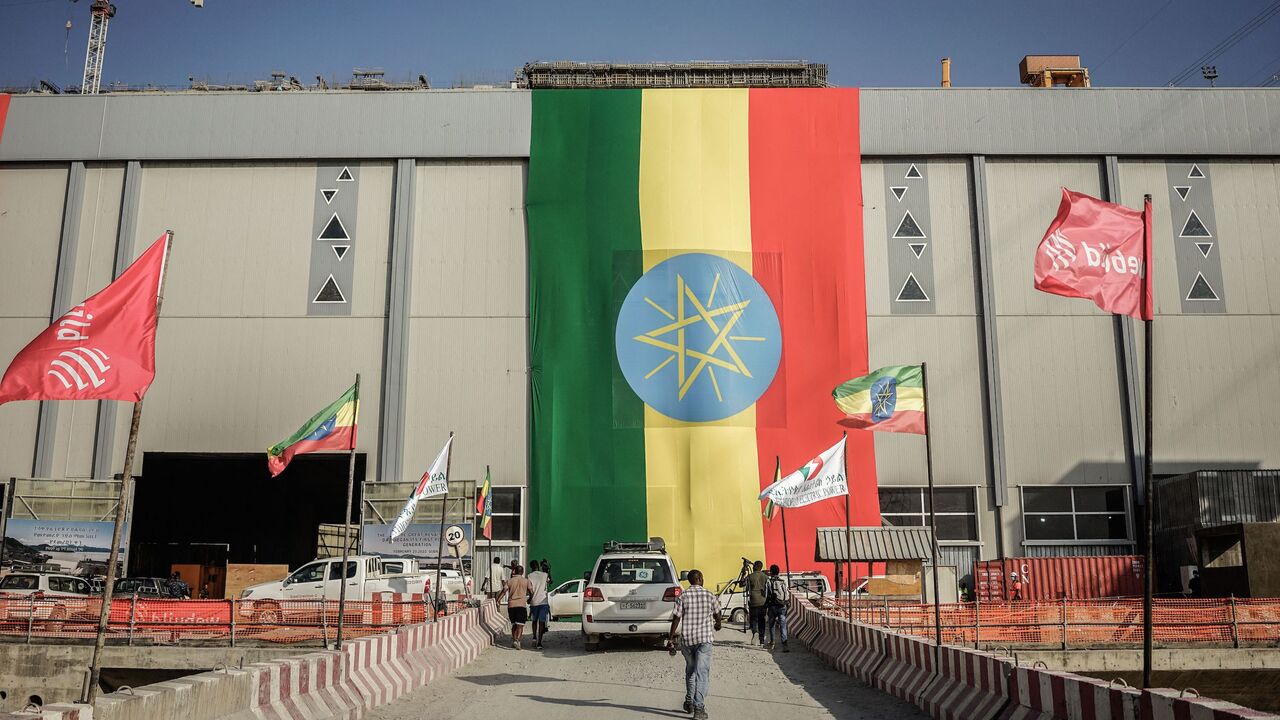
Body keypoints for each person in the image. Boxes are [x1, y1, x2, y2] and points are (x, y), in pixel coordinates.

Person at [668, 568, 721, 720]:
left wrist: (671, 638)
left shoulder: (682, 596)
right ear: (700, 579)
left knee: (690, 671)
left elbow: (676, 618)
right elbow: (718, 614)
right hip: (704, 640)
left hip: (688, 640)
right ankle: (699, 708)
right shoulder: (709, 595)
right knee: (702, 673)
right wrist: (718, 624)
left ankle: (689, 702)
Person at [497, 564, 531, 649]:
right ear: (522, 572)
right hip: (521, 605)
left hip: (511, 605)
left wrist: (498, 599)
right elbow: (531, 591)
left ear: (514, 571)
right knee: (520, 625)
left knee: (514, 625)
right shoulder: (526, 581)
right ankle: (517, 641)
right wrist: (530, 599)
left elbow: (504, 591)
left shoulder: (509, 581)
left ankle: (514, 640)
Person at [764, 565, 789, 652]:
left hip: (773, 606)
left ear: (771, 572)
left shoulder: (769, 581)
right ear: (778, 572)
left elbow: (766, 594)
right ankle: (785, 645)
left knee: (771, 625)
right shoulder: (783, 581)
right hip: (782, 605)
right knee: (783, 625)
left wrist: (766, 605)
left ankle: (772, 643)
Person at [527, 560, 551, 650]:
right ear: (538, 566)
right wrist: (548, 570)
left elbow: (529, 590)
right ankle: (539, 642)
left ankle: (534, 637)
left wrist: (529, 599)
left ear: (531, 567)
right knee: (541, 622)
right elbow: (550, 581)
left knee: (534, 621)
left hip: (534, 602)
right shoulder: (544, 575)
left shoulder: (529, 576)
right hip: (543, 602)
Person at [743, 560, 768, 645]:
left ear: (754, 567)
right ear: (761, 567)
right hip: (763, 601)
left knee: (753, 619)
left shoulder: (750, 576)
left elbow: (742, 585)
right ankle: (762, 640)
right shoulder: (765, 577)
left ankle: (755, 632)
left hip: (753, 601)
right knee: (762, 621)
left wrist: (744, 573)